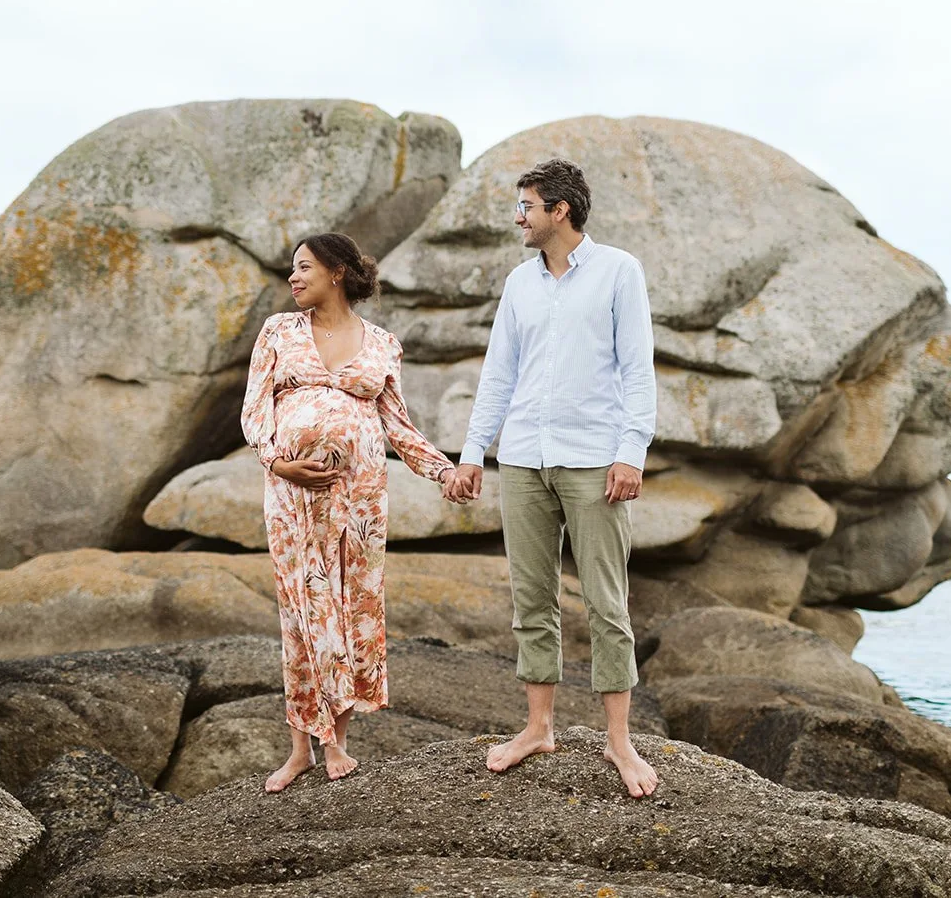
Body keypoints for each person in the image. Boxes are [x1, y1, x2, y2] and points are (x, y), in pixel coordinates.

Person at [444, 157, 660, 798]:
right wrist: (472, 452)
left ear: (559, 210)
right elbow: (498, 375)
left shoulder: (620, 271)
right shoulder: (519, 283)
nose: (520, 216)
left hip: (594, 458)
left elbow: (637, 370)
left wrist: (631, 453)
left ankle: (620, 742)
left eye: (527, 206)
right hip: (523, 459)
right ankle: (538, 727)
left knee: (606, 602)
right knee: (531, 601)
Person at [241, 232, 461, 792]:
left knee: (351, 607)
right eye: (292, 269)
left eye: (304, 267)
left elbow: (398, 426)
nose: (293, 278)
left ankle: (337, 739)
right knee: (303, 610)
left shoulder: (382, 343)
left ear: (336, 271)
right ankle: (303, 748)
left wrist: (443, 471)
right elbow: (254, 412)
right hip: (293, 497)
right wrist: (277, 463)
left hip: (360, 500)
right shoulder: (278, 332)